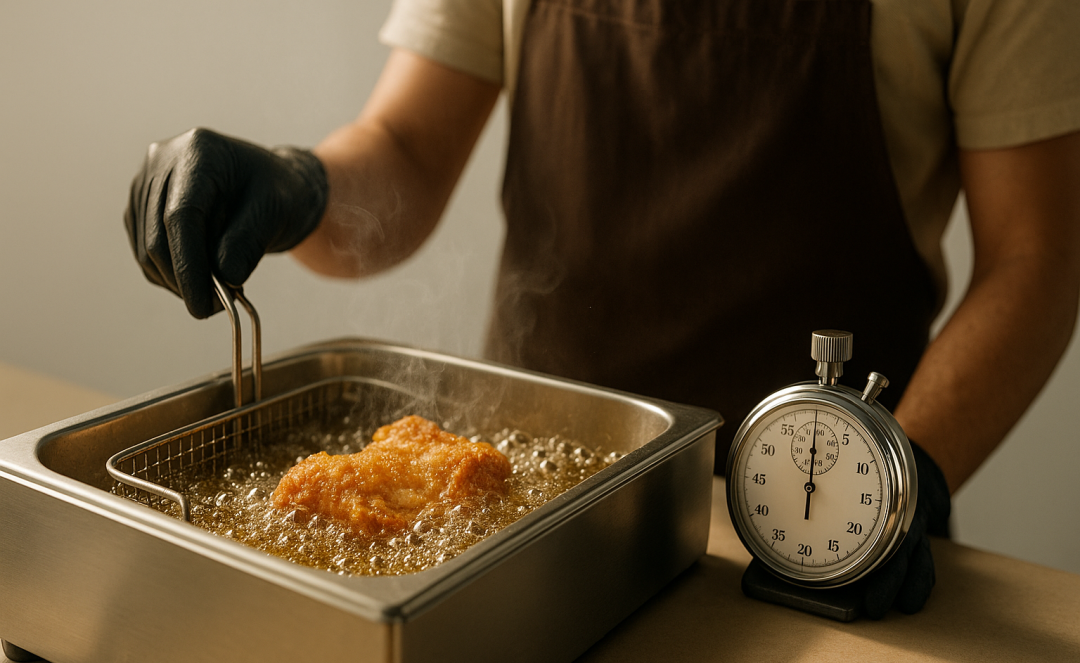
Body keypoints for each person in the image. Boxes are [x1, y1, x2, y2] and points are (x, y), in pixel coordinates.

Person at [124, 0, 1080, 617]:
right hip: (521, 529)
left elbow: (1037, 256)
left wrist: (905, 480)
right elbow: (405, 153)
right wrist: (297, 184)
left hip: (815, 541)